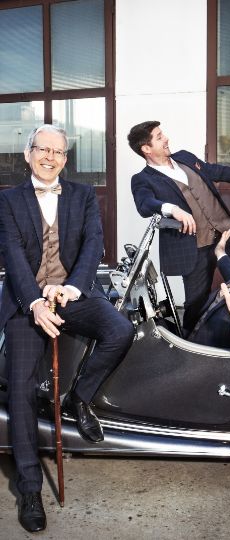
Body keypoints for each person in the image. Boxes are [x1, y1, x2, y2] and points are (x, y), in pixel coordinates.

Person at [0, 125, 134, 533]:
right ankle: (29, 487)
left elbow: (93, 244)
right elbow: (13, 256)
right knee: (21, 388)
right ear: (28, 154)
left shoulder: (82, 194)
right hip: (26, 300)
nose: (50, 157)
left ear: (65, 159)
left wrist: (73, 287)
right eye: (42, 149)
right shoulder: (8, 200)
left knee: (120, 331)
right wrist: (36, 302)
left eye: (58, 152)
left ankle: (78, 398)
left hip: (72, 293)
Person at [128, 120, 230, 333]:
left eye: (163, 134)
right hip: (193, 249)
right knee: (195, 305)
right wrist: (171, 209)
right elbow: (144, 204)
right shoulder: (143, 179)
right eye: (159, 137)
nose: (166, 138)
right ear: (146, 148)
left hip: (227, 232)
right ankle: (191, 343)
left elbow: (218, 171)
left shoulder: (185, 158)